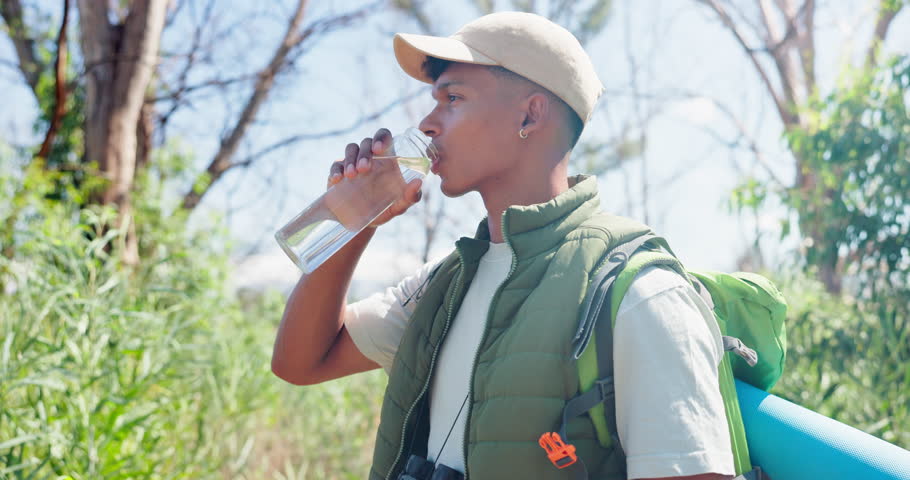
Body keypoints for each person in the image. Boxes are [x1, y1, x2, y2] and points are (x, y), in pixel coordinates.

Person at [272, 11, 735, 480]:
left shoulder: (638, 292)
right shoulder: (445, 284)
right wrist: (354, 221)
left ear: (529, 114)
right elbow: (301, 361)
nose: (427, 124)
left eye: (453, 98)